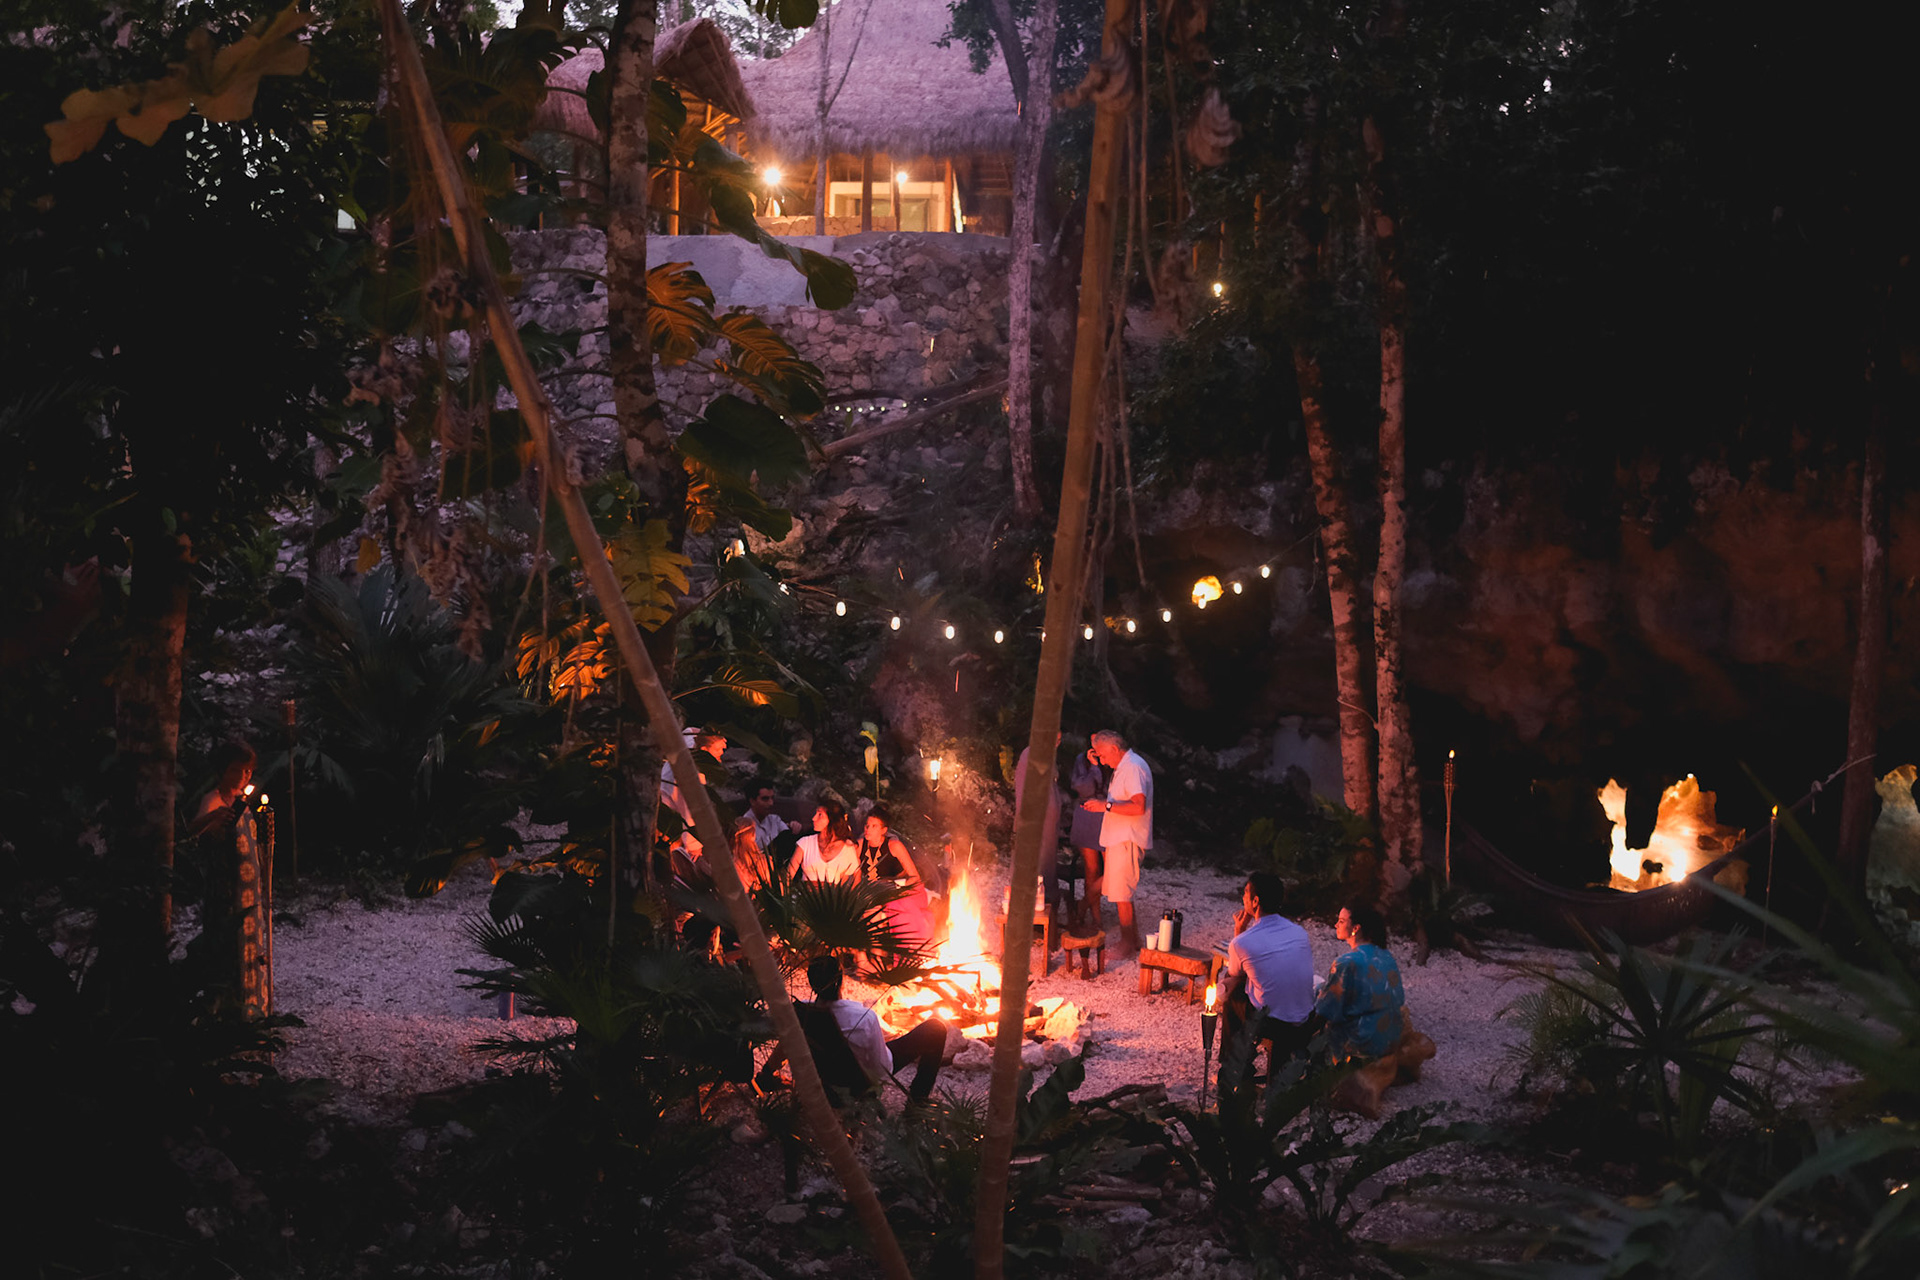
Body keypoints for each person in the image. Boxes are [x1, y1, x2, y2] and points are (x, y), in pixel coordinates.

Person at [757, 954, 949, 1105]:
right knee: (936, 1029)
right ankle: (917, 1104)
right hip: (856, 1087)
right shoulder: (864, 1018)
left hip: (822, 1080)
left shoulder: (801, 1012)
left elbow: (787, 1043)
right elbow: (880, 1070)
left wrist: (768, 1071)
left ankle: (767, 1072)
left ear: (811, 983)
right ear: (841, 980)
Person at [1220, 872, 1316, 1092]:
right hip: (1305, 1018)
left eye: (1246, 893)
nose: (1243, 897)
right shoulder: (1299, 932)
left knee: (1232, 994)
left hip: (1274, 1023)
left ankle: (1234, 1067)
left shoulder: (1242, 942)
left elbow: (1233, 976)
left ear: (1255, 901)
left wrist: (1238, 932)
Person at [1077, 729, 1152, 954]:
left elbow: (1138, 806)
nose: (1101, 760)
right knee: (1119, 888)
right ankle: (1132, 940)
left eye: (1102, 755)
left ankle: (1126, 943)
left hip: (1127, 839)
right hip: (1119, 838)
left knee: (1122, 894)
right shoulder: (1125, 767)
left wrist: (1105, 806)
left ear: (1113, 749)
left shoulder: (1133, 768)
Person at [1315, 903, 1407, 1062]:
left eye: (1341, 921)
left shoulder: (1347, 962)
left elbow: (1326, 1010)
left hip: (1361, 1043)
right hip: (1390, 1037)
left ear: (1355, 928)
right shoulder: (1386, 956)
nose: (1336, 925)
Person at [858, 806, 935, 950]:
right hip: (875, 892)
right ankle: (875, 954)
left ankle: (911, 948)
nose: (868, 829)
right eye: (867, 825)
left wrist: (893, 887)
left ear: (883, 830)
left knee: (898, 907)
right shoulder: (860, 845)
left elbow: (915, 877)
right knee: (870, 911)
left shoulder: (894, 845)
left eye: (874, 826)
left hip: (902, 889)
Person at [1013, 732, 1066, 914]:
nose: (1057, 743)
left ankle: (1046, 903)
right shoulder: (1033, 754)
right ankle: (1034, 905)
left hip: (1047, 821)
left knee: (1046, 860)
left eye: (1059, 739)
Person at [1067, 741, 1110, 927]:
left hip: (1107, 817)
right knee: (1091, 869)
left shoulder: (1112, 760)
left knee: (1112, 870)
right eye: (1093, 741)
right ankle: (1095, 916)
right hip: (1086, 815)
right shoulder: (1082, 760)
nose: (1096, 745)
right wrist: (1093, 767)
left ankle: (1083, 904)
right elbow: (1083, 788)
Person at [789, 798, 860, 883]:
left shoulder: (847, 847)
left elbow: (857, 875)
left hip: (834, 891)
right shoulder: (805, 843)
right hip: (807, 890)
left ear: (832, 819)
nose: (814, 818)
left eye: (820, 815)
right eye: (816, 813)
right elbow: (788, 875)